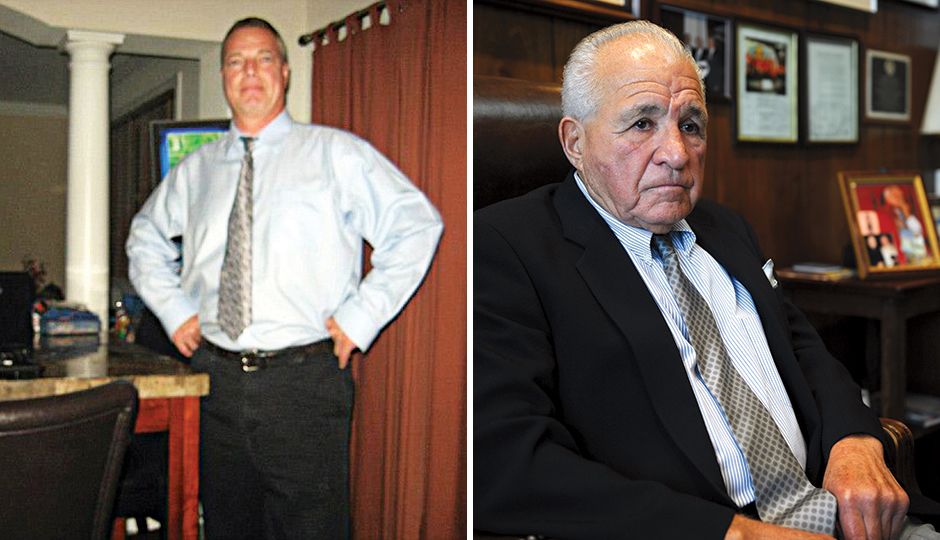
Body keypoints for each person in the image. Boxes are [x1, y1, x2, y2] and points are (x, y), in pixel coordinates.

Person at [474, 20, 940, 540]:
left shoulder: (725, 227)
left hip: (838, 512)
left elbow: (805, 353)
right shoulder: (505, 247)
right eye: (642, 124)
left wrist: (854, 441)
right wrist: (733, 533)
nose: (676, 153)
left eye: (690, 125)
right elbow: (509, 465)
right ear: (574, 141)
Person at [127, 17, 442, 539]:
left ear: (285, 72)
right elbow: (144, 239)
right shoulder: (195, 170)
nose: (249, 71)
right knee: (228, 527)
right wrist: (174, 309)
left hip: (305, 386)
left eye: (263, 58)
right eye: (236, 61)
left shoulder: (335, 154)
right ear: (225, 76)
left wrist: (361, 317)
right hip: (214, 382)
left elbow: (416, 225)